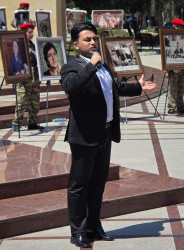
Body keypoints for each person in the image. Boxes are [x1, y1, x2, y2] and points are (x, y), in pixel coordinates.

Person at [60, 22, 156, 248]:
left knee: (98, 184)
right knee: (79, 185)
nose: (93, 42)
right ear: (75, 45)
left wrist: (138, 87)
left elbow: (114, 89)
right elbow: (71, 88)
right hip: (83, 136)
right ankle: (78, 231)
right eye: (87, 39)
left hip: (104, 133)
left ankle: (93, 226)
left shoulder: (103, 66)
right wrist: (90, 66)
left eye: (94, 39)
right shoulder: (71, 67)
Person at [12, 23, 44, 131]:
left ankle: (32, 122)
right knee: (22, 101)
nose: (31, 34)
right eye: (29, 32)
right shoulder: (19, 45)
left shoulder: (34, 45)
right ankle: (16, 123)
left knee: (34, 102)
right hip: (24, 78)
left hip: (35, 78)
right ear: (24, 32)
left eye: (32, 32)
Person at [167, 18, 184, 115]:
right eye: (174, 26)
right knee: (172, 87)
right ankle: (171, 108)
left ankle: (180, 107)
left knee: (181, 86)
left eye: (177, 26)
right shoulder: (169, 37)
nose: (175, 28)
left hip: (182, 67)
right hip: (172, 66)